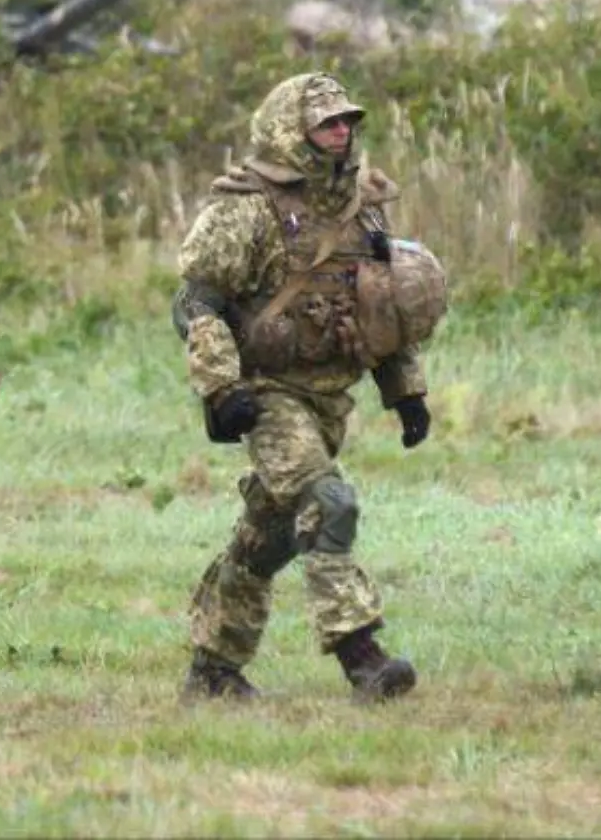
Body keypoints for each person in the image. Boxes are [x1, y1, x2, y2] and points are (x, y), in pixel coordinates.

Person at [174, 72, 444, 703]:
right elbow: (197, 300)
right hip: (267, 393)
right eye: (326, 122)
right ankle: (362, 657)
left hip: (329, 399)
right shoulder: (247, 207)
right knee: (331, 503)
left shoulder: (362, 208)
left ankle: (212, 673)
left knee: (264, 540)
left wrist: (406, 391)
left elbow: (382, 309)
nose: (341, 132)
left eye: (347, 120)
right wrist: (220, 389)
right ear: (290, 130)